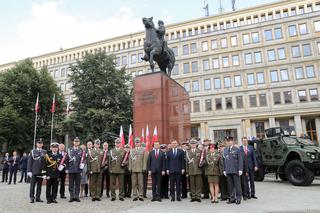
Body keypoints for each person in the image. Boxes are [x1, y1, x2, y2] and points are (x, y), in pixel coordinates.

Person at [223, 136, 243, 205]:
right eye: (227, 141)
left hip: (235, 170)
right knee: (230, 185)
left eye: (230, 141)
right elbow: (224, 161)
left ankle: (238, 198)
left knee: (237, 185)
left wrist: (240, 169)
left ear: (232, 141)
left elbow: (240, 160)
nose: (228, 142)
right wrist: (224, 170)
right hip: (228, 170)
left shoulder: (237, 149)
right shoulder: (225, 150)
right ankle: (232, 198)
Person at [66, 137, 85, 202]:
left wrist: (82, 165)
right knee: (71, 184)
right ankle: (71, 196)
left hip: (78, 170)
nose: (76, 142)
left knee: (77, 184)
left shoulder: (81, 150)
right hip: (71, 169)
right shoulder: (69, 150)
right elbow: (66, 160)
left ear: (79, 143)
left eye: (77, 141)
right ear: (73, 142)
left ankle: (76, 196)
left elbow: (83, 159)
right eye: (75, 141)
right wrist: (66, 168)